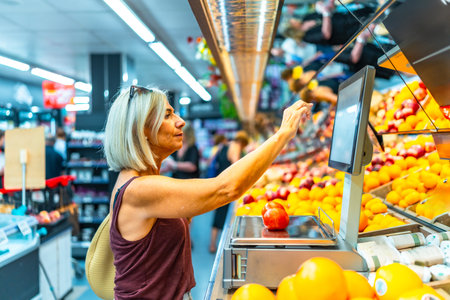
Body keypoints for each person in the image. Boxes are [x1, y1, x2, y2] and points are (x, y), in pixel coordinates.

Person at [103, 85, 311, 299]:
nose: (180, 121)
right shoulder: (139, 189)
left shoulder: (142, 181)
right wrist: (283, 134)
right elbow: (225, 188)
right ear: (142, 130)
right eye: (167, 115)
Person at [208, 130, 249, 253]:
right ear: (243, 142)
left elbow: (211, 161)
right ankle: (224, 247)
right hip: (229, 186)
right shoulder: (236, 147)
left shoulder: (223, 146)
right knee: (227, 217)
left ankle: (212, 244)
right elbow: (236, 166)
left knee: (218, 213)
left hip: (219, 183)